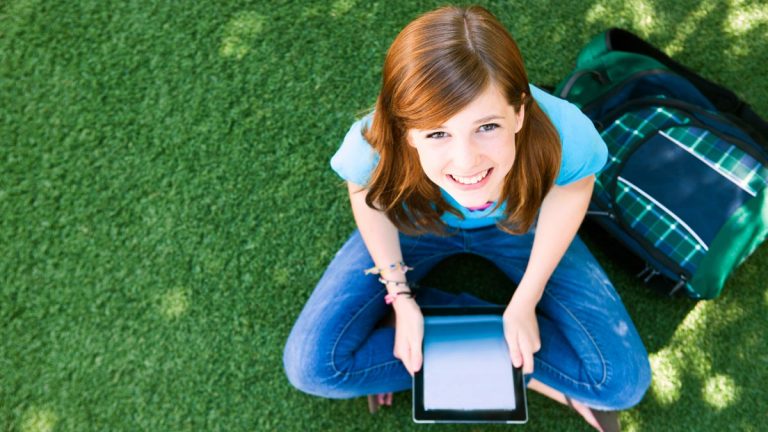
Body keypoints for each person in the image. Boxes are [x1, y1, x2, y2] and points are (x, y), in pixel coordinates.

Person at [283, 5, 651, 431]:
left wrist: (525, 301)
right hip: (415, 222)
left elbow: (572, 194)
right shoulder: (374, 140)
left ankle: (451, 330)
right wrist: (400, 298)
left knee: (621, 384)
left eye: (487, 126)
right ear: (407, 130)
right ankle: (448, 330)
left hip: (522, 223)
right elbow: (367, 196)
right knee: (311, 367)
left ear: (519, 112)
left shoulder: (567, 132)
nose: (466, 161)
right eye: (438, 133)